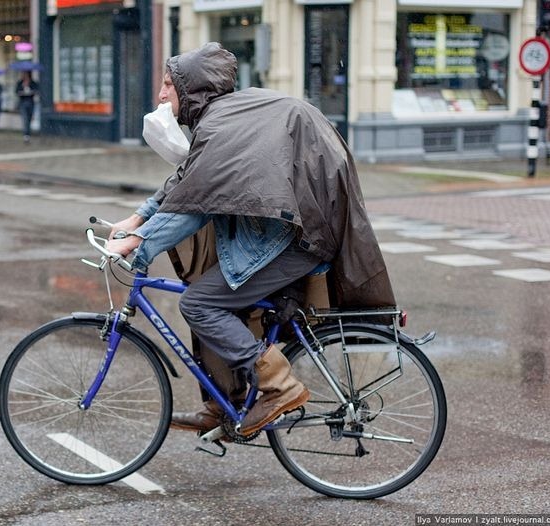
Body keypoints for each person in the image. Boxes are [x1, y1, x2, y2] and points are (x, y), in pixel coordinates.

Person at [106, 42, 395, 437]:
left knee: (200, 303)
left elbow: (195, 204)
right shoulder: (225, 119)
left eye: (168, 85)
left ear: (191, 89)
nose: (160, 95)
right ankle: (225, 404)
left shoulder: (222, 125)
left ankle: (278, 386)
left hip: (300, 237)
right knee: (210, 292)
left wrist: (139, 241)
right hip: (290, 227)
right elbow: (190, 179)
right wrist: (139, 217)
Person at [15, 71, 39, 143]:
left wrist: (30, 89)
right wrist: (23, 87)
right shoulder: (20, 83)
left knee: (29, 118)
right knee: (25, 118)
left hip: (30, 103)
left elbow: (36, 91)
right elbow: (17, 92)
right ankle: (26, 135)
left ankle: (28, 133)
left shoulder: (33, 83)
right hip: (23, 103)